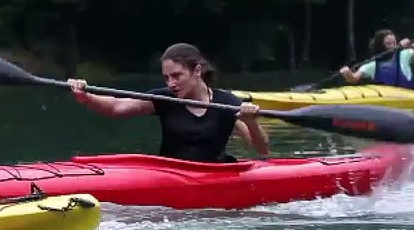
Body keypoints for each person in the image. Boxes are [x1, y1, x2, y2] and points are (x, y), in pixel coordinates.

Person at [66, 43, 270, 163]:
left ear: (197, 71)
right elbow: (116, 107)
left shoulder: (226, 103)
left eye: (176, 76)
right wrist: (86, 96)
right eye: (166, 77)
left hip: (215, 175)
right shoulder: (164, 99)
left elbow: (261, 149)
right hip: (170, 173)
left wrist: (251, 121)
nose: (171, 83)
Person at [339, 29, 414, 88]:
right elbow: (353, 79)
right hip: (387, 99)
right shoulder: (372, 65)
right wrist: (347, 73)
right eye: (389, 44)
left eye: (394, 42)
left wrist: (411, 44)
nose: (393, 46)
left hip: (408, 95)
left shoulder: (404, 55)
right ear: (380, 46)